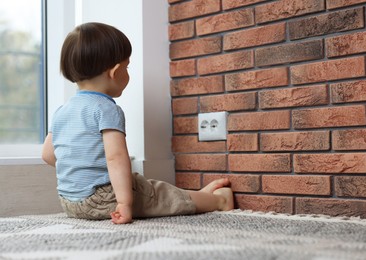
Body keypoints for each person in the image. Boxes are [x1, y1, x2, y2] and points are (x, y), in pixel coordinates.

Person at [41, 22, 234, 224]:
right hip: (103, 199)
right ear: (115, 72)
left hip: (70, 203)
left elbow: (47, 154)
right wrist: (124, 203)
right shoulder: (106, 109)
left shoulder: (61, 111)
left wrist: (81, 167)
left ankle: (198, 195)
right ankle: (218, 201)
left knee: (149, 189)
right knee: (157, 195)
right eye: (127, 66)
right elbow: (116, 158)